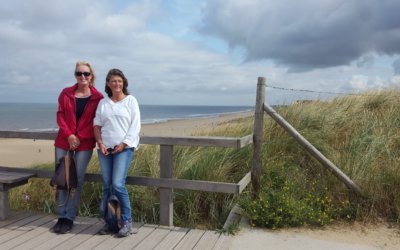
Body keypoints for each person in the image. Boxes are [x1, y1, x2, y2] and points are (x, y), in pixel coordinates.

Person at [52, 61, 104, 234]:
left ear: (91, 76)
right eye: (79, 73)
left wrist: (79, 137)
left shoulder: (98, 98)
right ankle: (61, 216)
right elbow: (60, 116)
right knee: (62, 179)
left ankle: (69, 217)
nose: (82, 76)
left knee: (77, 180)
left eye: (86, 74)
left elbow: (97, 122)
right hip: (63, 141)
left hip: (85, 144)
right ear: (75, 75)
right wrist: (69, 135)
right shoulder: (66, 93)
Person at [93, 68, 141, 237]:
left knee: (118, 184)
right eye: (113, 81)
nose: (117, 84)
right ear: (108, 84)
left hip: (124, 149)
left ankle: (127, 221)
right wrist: (100, 143)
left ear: (124, 83)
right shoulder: (103, 103)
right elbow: (97, 125)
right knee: (107, 186)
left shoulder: (131, 101)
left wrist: (124, 144)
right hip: (105, 149)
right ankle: (110, 222)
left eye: (119, 81)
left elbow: (135, 126)